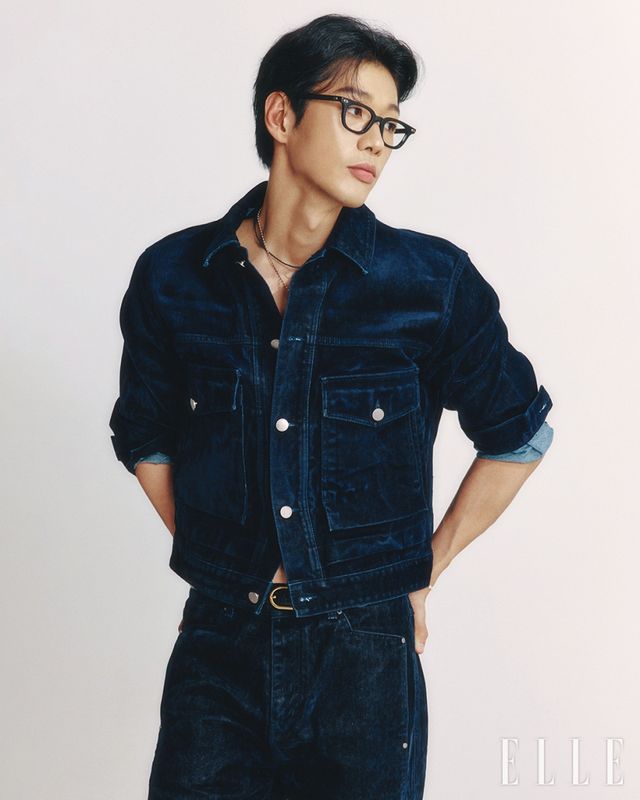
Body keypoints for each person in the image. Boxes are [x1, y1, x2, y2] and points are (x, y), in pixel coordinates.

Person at [108, 13, 554, 800]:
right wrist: (223, 556)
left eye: (391, 124)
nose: (377, 141)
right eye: (355, 112)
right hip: (220, 649)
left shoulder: (430, 283)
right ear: (282, 116)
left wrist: (424, 573)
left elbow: (519, 434)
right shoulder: (174, 276)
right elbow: (144, 434)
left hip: (366, 660)